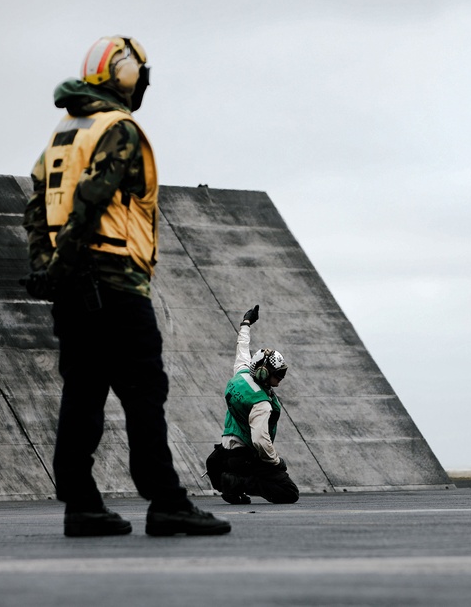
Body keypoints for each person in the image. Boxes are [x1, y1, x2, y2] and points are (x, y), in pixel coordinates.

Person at [21, 36, 231, 537]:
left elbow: (36, 212)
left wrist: (50, 270)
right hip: (115, 284)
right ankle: (166, 503)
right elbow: (91, 202)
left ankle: (82, 506)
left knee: (83, 394)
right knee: (143, 391)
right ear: (126, 75)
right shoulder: (119, 130)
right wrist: (67, 263)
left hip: (72, 291)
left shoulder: (63, 135)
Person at [206, 305, 299, 504]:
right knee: (289, 492)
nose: (282, 377)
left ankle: (232, 486)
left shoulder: (241, 372)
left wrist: (246, 323)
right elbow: (259, 440)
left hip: (223, 453)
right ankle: (238, 483)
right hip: (244, 455)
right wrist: (276, 461)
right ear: (265, 373)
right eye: (279, 373)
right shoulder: (262, 403)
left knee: (216, 468)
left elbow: (242, 347)